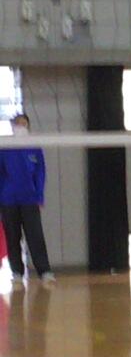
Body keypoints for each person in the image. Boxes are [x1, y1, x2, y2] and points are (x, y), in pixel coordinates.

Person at [0, 114, 53, 285]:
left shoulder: (34, 147)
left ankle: (44, 271)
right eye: (18, 124)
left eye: (24, 124)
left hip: (29, 198)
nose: (21, 127)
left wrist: (39, 195)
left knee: (35, 235)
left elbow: (40, 172)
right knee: (12, 236)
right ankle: (17, 271)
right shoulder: (5, 147)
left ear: (28, 126)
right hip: (8, 199)